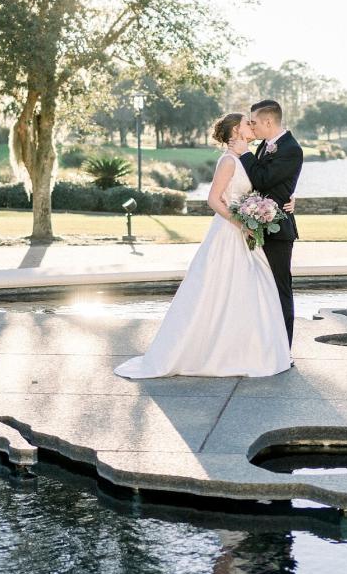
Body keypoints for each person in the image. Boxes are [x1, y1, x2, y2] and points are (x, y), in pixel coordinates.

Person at [114, 113, 292, 378]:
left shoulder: (247, 157)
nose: (251, 126)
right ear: (235, 130)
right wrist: (240, 222)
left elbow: (262, 186)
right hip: (228, 233)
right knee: (217, 289)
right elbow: (213, 199)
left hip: (245, 233)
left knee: (251, 289)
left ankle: (244, 351)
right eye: (247, 123)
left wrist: (286, 201)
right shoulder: (228, 161)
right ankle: (205, 352)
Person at [228, 99, 303, 346]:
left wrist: (245, 153)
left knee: (280, 291)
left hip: (278, 232)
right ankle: (261, 346)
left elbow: (263, 179)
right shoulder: (264, 145)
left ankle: (283, 349)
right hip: (256, 227)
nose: (252, 126)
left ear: (268, 121)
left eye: (255, 122)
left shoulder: (291, 148)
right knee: (258, 290)